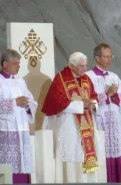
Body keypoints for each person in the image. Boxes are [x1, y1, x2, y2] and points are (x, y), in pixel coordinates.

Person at [42, 52, 104, 183]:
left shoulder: (86, 79)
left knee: (85, 153)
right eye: (81, 66)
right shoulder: (60, 79)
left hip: (87, 122)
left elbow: (94, 96)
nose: (85, 69)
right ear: (71, 66)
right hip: (69, 124)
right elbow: (58, 102)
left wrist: (93, 104)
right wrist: (82, 105)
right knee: (71, 154)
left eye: (86, 65)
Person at [0, 49, 38, 183]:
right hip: (4, 132)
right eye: (15, 63)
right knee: (5, 170)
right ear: (4, 64)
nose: (18, 66)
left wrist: (27, 104)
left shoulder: (20, 82)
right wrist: (15, 102)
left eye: (19, 63)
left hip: (20, 130)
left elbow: (31, 101)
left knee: (21, 167)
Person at [86, 43, 121, 183]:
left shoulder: (114, 76)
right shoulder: (88, 77)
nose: (109, 59)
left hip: (115, 123)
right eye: (106, 56)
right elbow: (86, 101)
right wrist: (106, 95)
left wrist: (115, 96)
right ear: (97, 58)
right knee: (101, 153)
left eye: (111, 56)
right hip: (99, 122)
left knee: (118, 154)